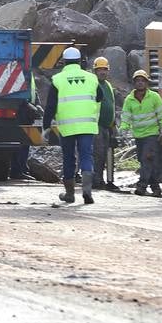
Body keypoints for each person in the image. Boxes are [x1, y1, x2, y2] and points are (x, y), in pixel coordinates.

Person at [42, 47, 99, 205]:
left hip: (67, 126)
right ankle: (87, 191)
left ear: (64, 61)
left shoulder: (58, 79)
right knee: (86, 155)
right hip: (87, 125)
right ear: (81, 61)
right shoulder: (91, 78)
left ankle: (70, 194)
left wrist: (46, 126)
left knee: (69, 158)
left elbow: (51, 106)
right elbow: (99, 96)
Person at [121, 69, 162, 196]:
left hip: (152, 135)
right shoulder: (129, 100)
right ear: (134, 83)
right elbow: (126, 117)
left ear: (147, 83)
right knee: (146, 162)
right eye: (137, 81)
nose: (140, 83)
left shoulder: (154, 97)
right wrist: (123, 129)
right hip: (139, 136)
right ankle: (156, 188)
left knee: (146, 159)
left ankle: (141, 187)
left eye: (143, 81)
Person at [91, 57, 120, 190]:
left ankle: (105, 179)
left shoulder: (107, 85)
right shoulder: (92, 84)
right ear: (95, 71)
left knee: (106, 154)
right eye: (100, 70)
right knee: (98, 153)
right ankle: (96, 180)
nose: (102, 72)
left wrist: (113, 125)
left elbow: (112, 105)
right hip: (96, 125)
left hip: (107, 125)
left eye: (104, 69)